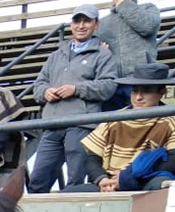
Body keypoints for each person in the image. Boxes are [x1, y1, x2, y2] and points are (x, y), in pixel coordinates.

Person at [29, 4, 118, 193]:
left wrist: (76, 89)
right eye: (77, 21)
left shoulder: (103, 54)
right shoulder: (55, 55)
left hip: (81, 125)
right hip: (52, 124)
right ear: (71, 24)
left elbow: (108, 86)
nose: (81, 25)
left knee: (75, 181)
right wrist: (45, 92)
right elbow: (37, 86)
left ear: (97, 25)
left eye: (87, 21)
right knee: (37, 180)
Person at [64, 63, 175, 192]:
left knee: (162, 185)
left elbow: (172, 161)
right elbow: (92, 158)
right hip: (109, 181)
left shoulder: (171, 121)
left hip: (144, 181)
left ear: (162, 92)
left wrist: (126, 177)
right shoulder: (114, 119)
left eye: (146, 91)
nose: (138, 97)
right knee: (66, 194)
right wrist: (102, 179)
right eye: (135, 91)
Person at [97, 0, 161, 111]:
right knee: (113, 124)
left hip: (140, 81)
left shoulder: (148, 8)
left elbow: (147, 26)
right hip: (112, 83)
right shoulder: (103, 21)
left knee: (142, 122)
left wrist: (122, 3)